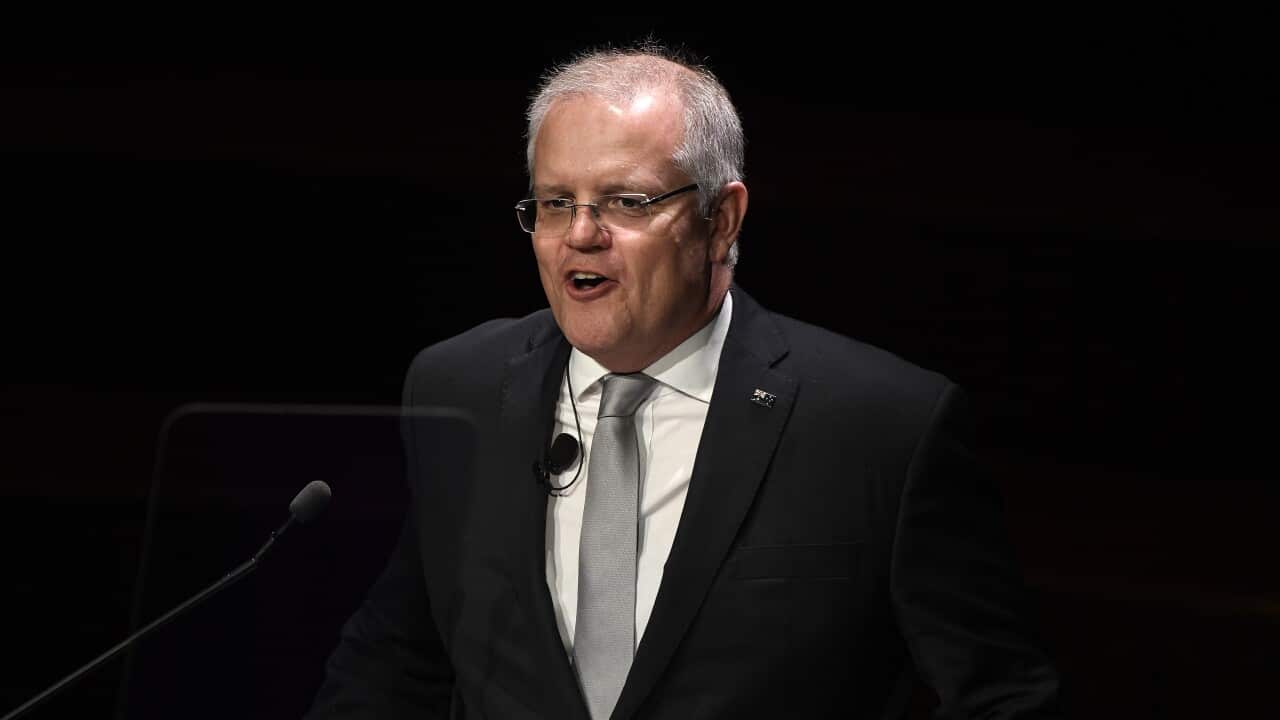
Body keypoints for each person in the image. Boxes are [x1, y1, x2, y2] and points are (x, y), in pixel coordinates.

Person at [306, 42, 1062, 719]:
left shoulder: (879, 426)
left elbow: (1004, 695)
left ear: (721, 219)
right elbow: (398, 657)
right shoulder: (460, 387)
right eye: (555, 202)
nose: (580, 234)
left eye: (626, 202)